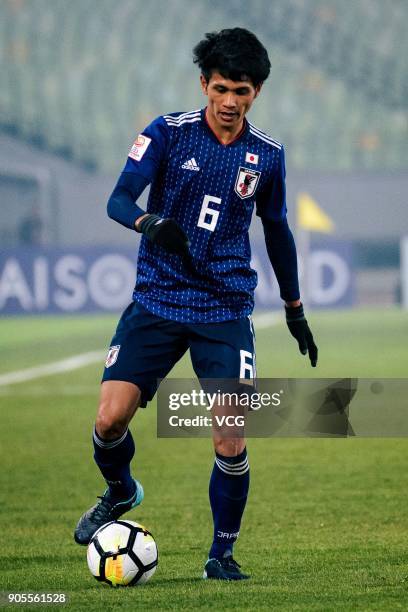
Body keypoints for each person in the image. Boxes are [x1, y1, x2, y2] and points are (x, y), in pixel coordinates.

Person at [74, 27, 318, 580]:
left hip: (225, 309)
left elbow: (277, 232)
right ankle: (120, 491)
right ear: (204, 84)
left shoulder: (268, 156)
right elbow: (117, 199)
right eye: (223, 88)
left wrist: (295, 308)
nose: (231, 102)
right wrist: (148, 222)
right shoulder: (167, 133)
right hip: (157, 299)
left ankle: (220, 556)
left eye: (244, 91)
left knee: (230, 435)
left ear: (257, 93)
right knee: (109, 421)